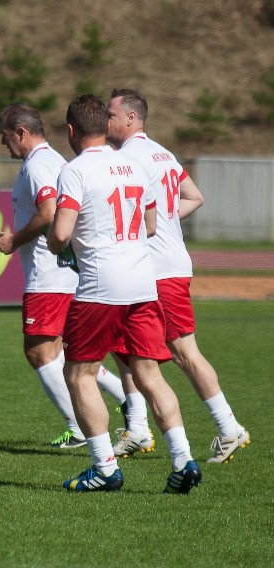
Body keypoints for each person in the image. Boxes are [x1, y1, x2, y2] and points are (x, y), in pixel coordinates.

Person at [47, 94, 201, 493]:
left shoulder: (75, 170)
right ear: (104, 124)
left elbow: (62, 232)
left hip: (100, 286)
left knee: (78, 373)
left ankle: (103, 467)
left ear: (71, 130)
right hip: (142, 284)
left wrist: (58, 243)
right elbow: (151, 224)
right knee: (149, 373)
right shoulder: (135, 165)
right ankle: (183, 460)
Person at [107, 88, 250, 463]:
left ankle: (229, 426)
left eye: (111, 115)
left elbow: (134, 213)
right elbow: (194, 197)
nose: (107, 122)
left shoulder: (129, 158)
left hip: (159, 272)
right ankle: (138, 427)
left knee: (184, 352)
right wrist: (167, 218)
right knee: (124, 348)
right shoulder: (163, 153)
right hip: (156, 268)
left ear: (131, 119)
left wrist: (150, 225)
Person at [0, 102, 127, 449]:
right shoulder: (54, 159)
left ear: (21, 133)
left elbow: (48, 212)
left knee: (39, 352)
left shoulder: (38, 165)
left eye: (6, 137)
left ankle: (79, 424)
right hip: (67, 273)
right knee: (72, 353)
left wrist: (13, 240)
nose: (3, 145)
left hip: (48, 275)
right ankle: (125, 398)